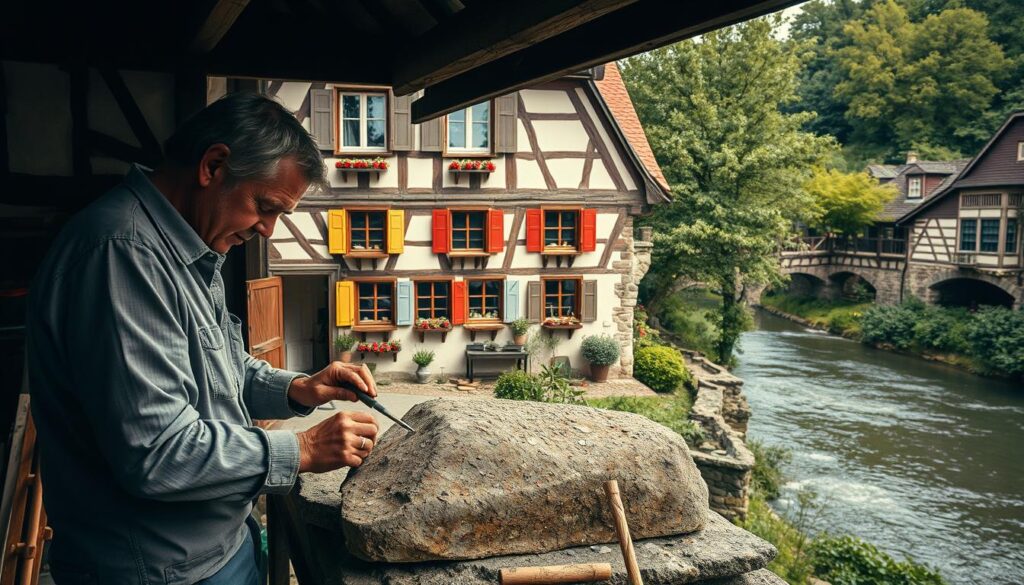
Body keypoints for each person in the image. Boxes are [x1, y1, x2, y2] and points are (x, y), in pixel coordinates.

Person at [26, 92, 379, 585]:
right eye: (265, 206)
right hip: (158, 571)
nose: (268, 230)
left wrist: (300, 387)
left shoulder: (190, 246)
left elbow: (225, 365)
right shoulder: (122, 255)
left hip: (216, 552)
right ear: (213, 165)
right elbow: (157, 453)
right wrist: (302, 448)